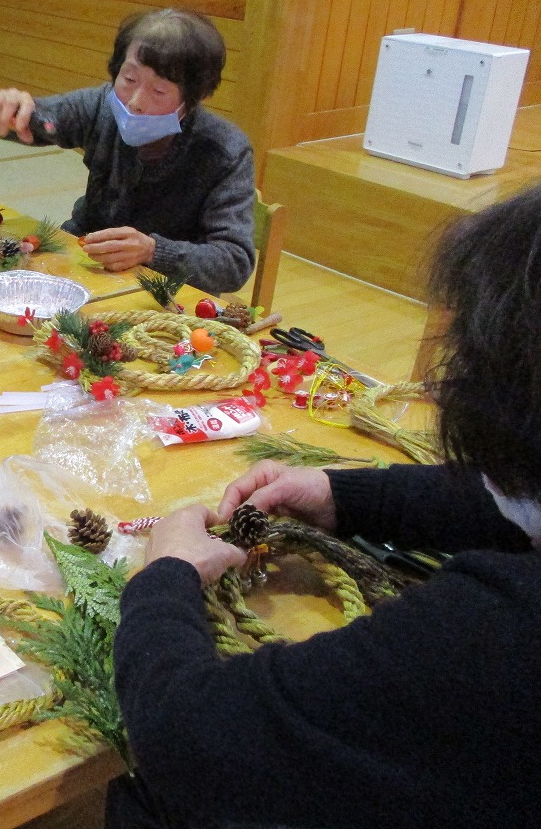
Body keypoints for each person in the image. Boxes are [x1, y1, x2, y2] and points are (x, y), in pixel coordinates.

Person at [107, 184, 541, 828]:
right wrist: (346, 495)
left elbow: (189, 737)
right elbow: (509, 499)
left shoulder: (495, 635)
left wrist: (165, 577)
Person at [0, 9, 255, 296]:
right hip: (84, 259)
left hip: (166, 293)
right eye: (129, 79)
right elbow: (43, 119)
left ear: (193, 98)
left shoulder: (224, 151)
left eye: (159, 91)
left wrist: (153, 251)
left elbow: (234, 262)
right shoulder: (103, 106)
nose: (135, 101)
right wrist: (7, 109)